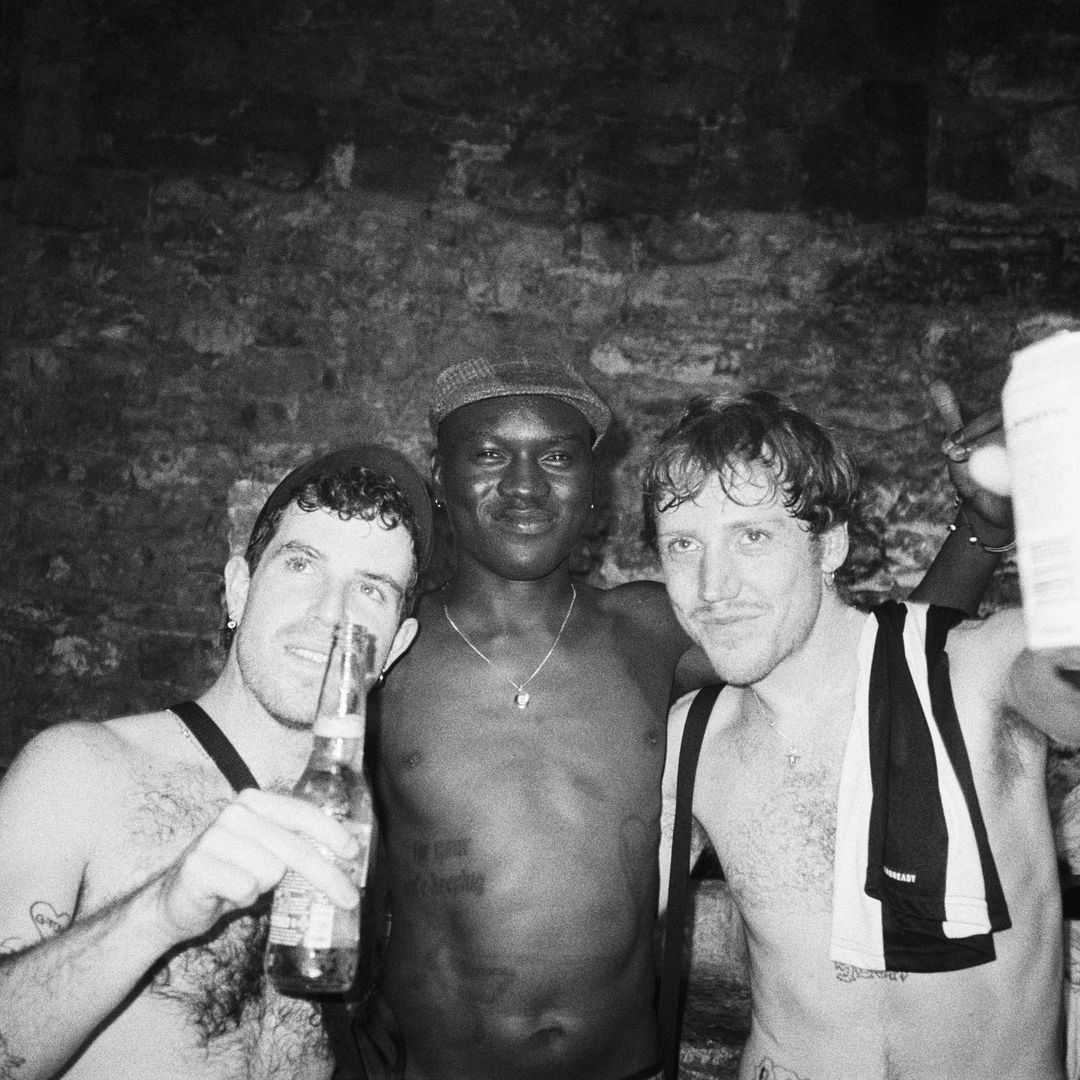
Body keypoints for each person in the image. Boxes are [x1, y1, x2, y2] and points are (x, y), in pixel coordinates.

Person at [371, 353, 1006, 1080]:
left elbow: (873, 663)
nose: (524, 484)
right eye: (488, 454)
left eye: (557, 457)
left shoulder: (646, 628)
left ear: (593, 483)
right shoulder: (390, 648)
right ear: (440, 474)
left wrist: (980, 529)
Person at [649, 390, 1080, 1080]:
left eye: (752, 536)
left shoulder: (980, 670)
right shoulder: (691, 741)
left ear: (830, 545)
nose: (713, 586)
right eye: (683, 544)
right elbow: (595, 939)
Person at [0, 443, 434, 1080]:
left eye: (370, 589)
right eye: (301, 563)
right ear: (238, 589)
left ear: (394, 647)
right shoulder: (78, 772)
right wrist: (160, 910)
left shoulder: (368, 830)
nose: (330, 613)